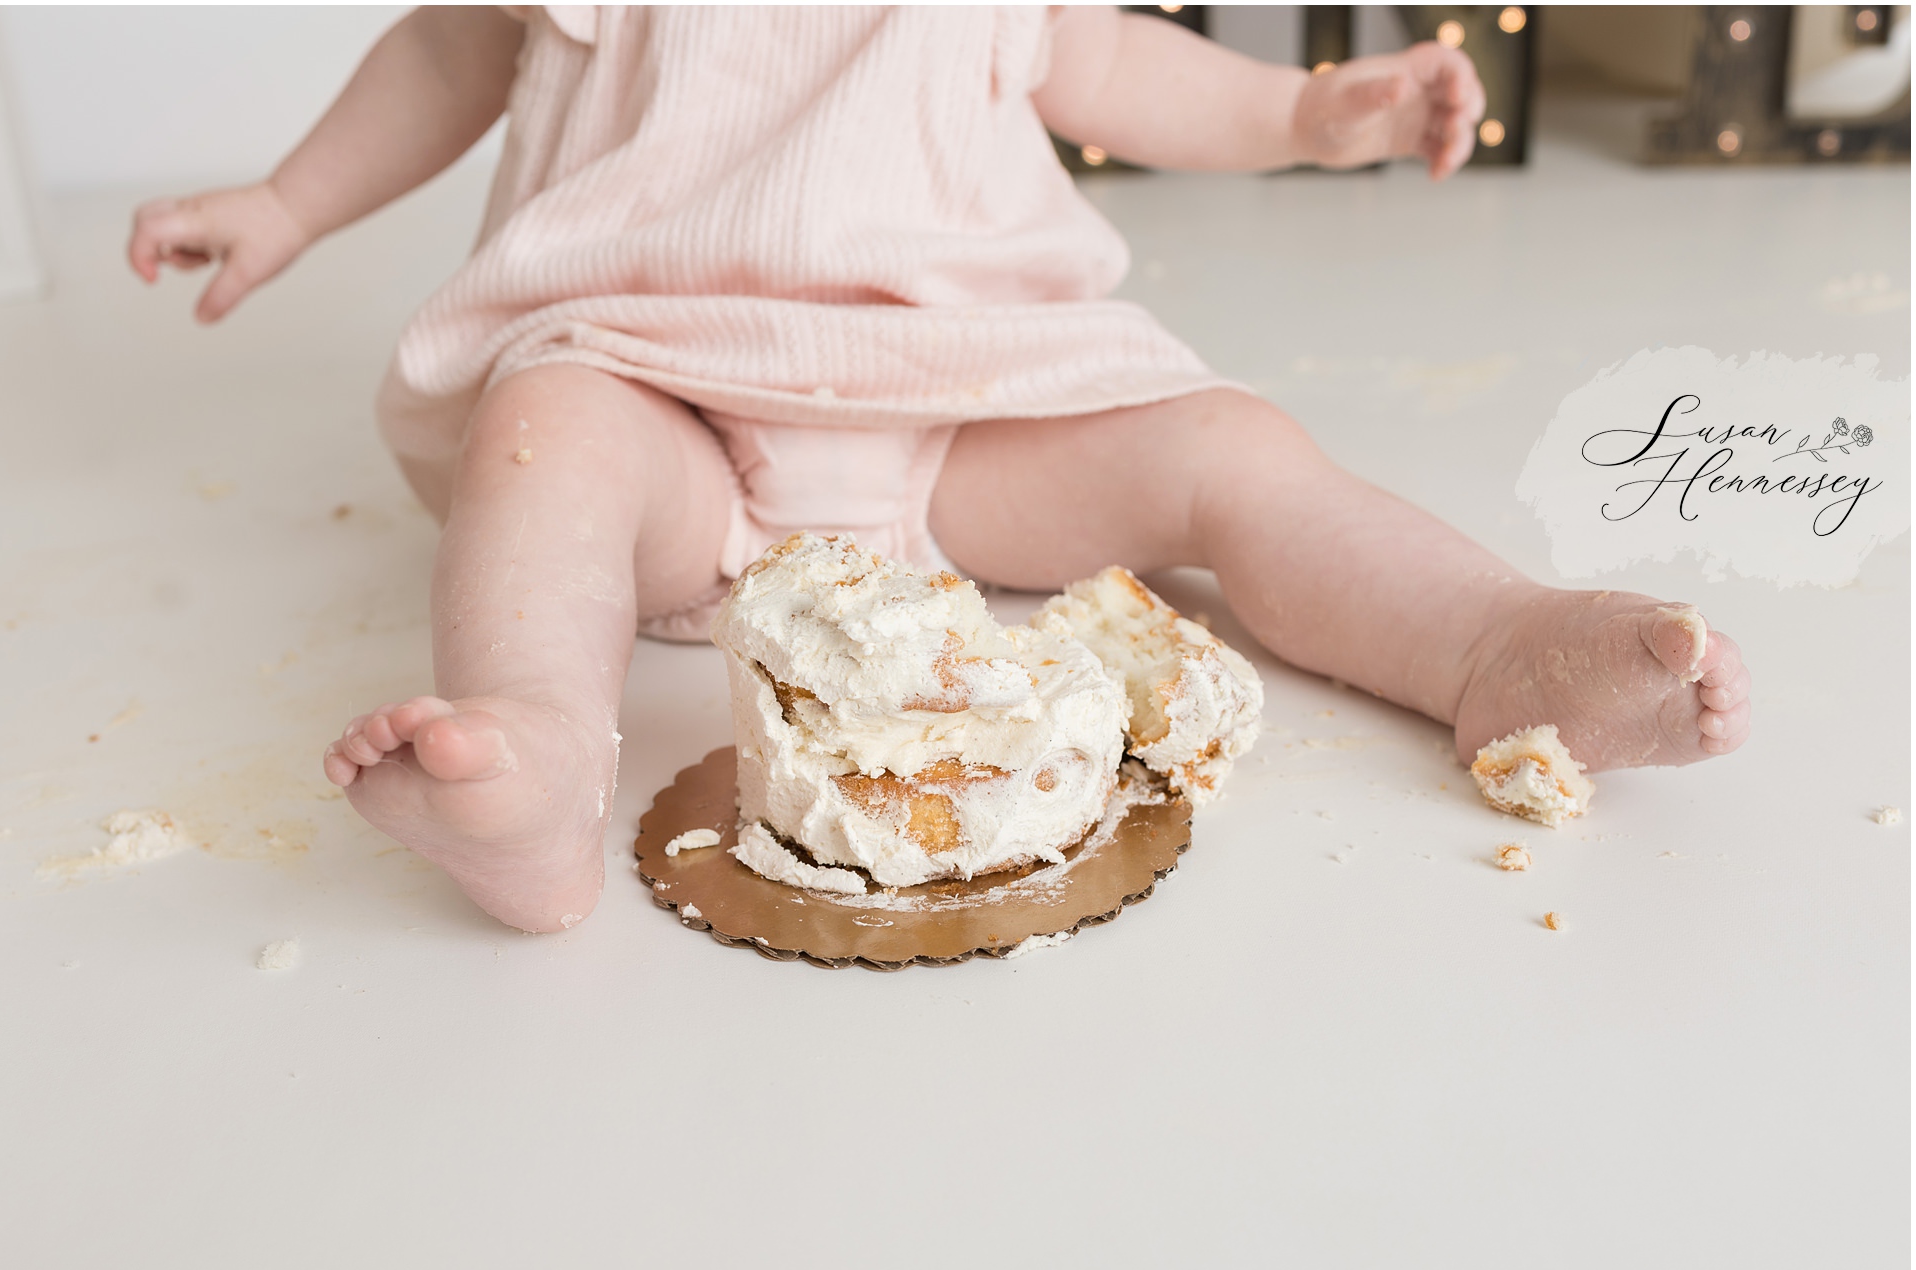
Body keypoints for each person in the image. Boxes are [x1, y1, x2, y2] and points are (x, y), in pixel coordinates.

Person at [127, 6, 1751, 932]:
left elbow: (1112, 63)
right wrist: (286, 201)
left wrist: (1309, 110)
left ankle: (1486, 641)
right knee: (539, 440)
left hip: (968, 403)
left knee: (1227, 450)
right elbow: (446, 55)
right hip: (661, 392)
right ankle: (544, 745)